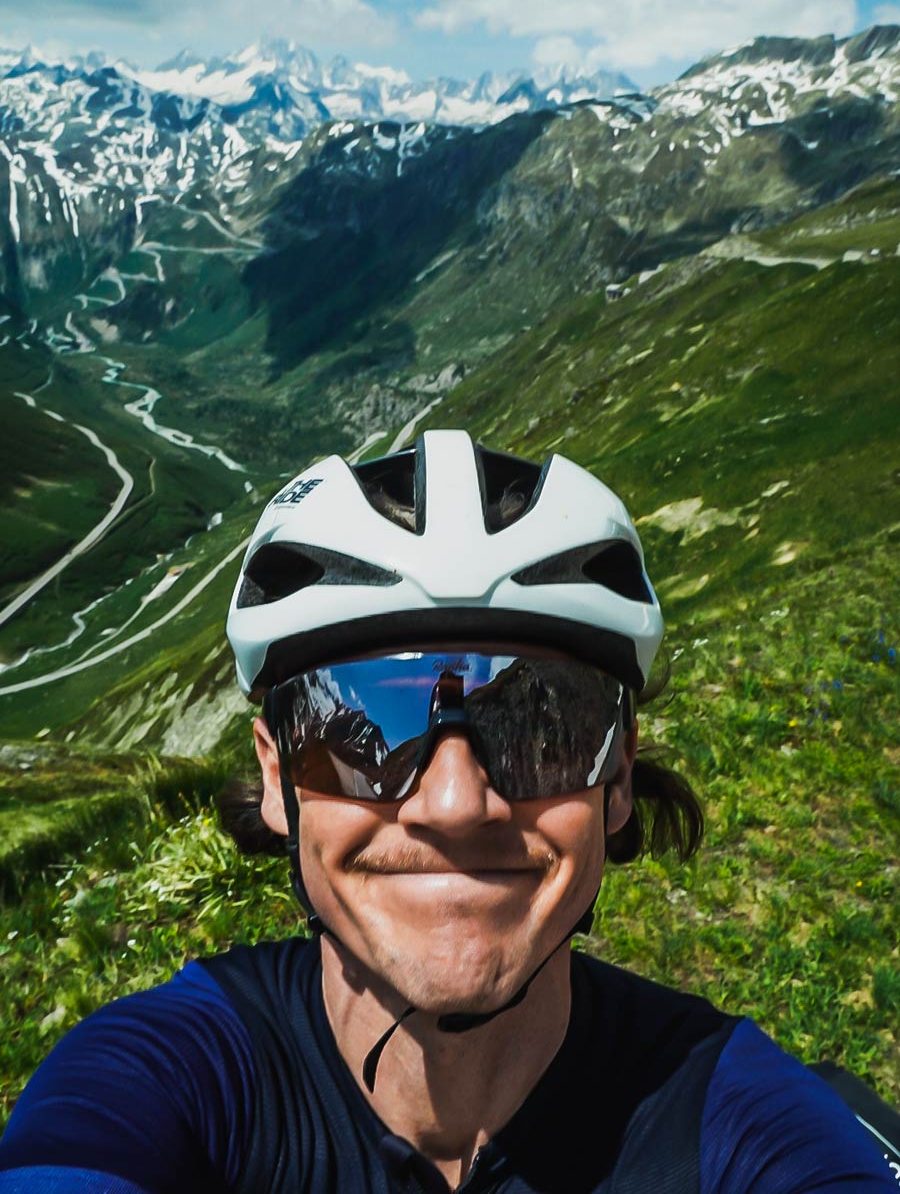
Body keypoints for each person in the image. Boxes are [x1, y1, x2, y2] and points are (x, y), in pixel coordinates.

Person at [0, 429, 895, 1193]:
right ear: (277, 781)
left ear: (617, 780)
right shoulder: (162, 1080)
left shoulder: (731, 1115)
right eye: (361, 728)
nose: (457, 804)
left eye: (543, 726)